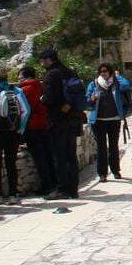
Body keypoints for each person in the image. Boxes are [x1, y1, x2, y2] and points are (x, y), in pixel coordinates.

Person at [0, 64, 31, 205]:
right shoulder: (16, 90)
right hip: (13, 132)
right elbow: (26, 110)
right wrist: (20, 128)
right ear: (7, 76)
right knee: (11, 163)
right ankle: (13, 194)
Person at [39, 49, 82, 200]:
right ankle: (73, 189)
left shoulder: (52, 74)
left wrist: (42, 99)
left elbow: (49, 98)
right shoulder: (70, 71)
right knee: (71, 155)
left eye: (43, 60)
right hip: (73, 118)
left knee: (59, 155)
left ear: (48, 60)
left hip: (58, 119)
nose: (42, 63)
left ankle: (63, 189)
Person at [85, 63, 132, 182]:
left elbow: (126, 85)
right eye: (101, 71)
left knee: (113, 146)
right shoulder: (94, 84)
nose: (103, 73)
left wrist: (117, 76)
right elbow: (87, 101)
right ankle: (102, 174)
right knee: (101, 148)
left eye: (105, 71)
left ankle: (115, 170)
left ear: (110, 72)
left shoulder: (116, 83)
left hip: (114, 119)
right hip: (98, 121)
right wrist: (92, 99)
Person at [19, 65, 56, 196]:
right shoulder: (42, 86)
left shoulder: (24, 90)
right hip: (45, 124)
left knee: (39, 158)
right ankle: (54, 182)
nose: (18, 78)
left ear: (24, 76)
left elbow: (24, 109)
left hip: (32, 126)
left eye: (20, 76)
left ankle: (46, 185)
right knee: (48, 154)